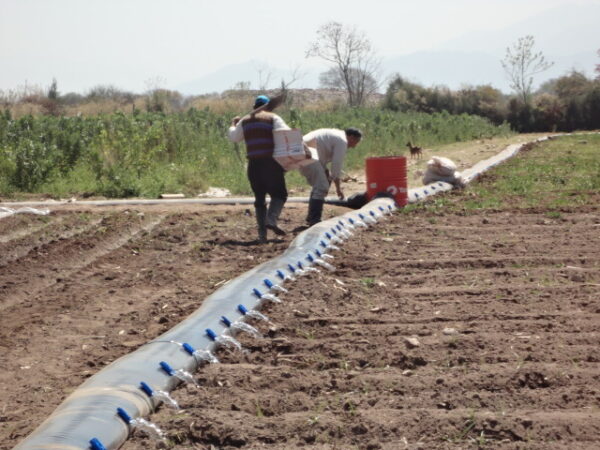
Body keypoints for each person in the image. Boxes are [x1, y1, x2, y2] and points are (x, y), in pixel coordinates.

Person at [227, 95, 290, 243]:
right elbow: (286, 134)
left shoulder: (245, 120)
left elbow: (234, 137)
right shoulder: (273, 118)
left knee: (259, 200)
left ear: (255, 106)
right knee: (280, 194)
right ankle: (271, 219)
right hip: (271, 163)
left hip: (254, 165)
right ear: (269, 106)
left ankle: (262, 235)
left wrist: (233, 124)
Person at [300, 127, 363, 226]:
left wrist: (335, 183)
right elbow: (336, 165)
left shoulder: (335, 135)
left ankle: (311, 217)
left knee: (324, 179)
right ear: (351, 137)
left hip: (303, 152)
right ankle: (314, 219)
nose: (354, 146)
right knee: (321, 186)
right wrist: (338, 188)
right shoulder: (342, 141)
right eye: (356, 142)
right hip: (307, 154)